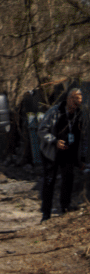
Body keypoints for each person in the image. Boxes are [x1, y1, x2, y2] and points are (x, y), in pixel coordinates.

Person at [39, 86, 84, 222]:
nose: (76, 105)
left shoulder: (80, 114)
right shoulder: (54, 112)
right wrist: (54, 141)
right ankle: (46, 214)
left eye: (79, 102)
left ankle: (65, 208)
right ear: (69, 99)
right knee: (49, 181)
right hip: (51, 152)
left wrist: (80, 158)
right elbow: (41, 131)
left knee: (68, 179)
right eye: (75, 101)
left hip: (68, 153)